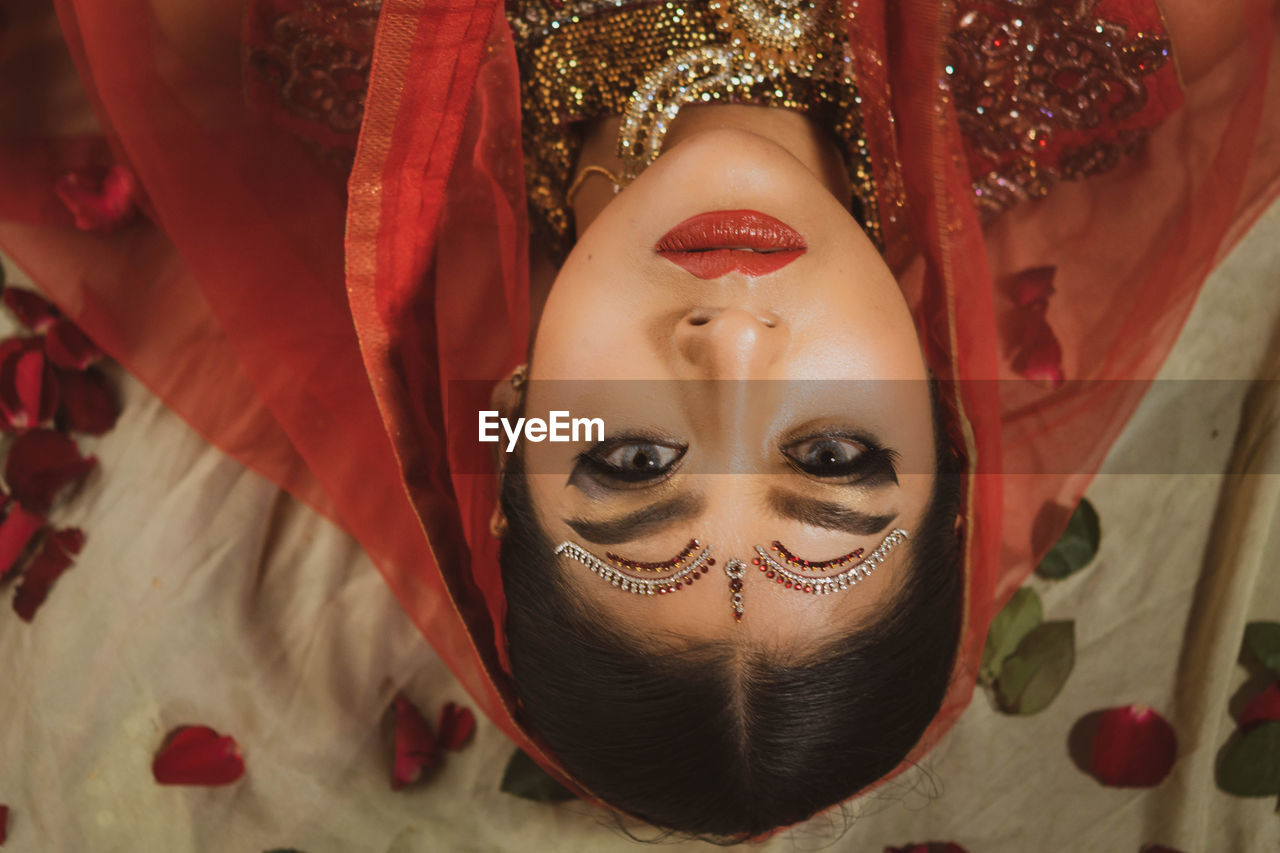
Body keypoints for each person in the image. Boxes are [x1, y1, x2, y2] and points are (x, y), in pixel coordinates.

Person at [0, 0, 1276, 842]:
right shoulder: (1091, 36)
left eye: (626, 459)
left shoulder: (321, 47)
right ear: (946, 422)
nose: (725, 352)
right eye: (829, 455)